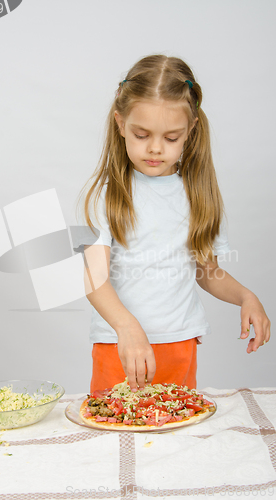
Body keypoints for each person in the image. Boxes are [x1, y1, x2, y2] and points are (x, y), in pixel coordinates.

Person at [76, 54, 271, 393]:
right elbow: (95, 279)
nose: (155, 148)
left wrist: (245, 296)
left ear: (190, 130)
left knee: (176, 438)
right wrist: (127, 327)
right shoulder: (106, 197)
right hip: (120, 346)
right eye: (141, 134)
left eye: (171, 138)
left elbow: (206, 272)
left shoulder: (198, 197)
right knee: (115, 435)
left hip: (180, 345)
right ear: (121, 124)